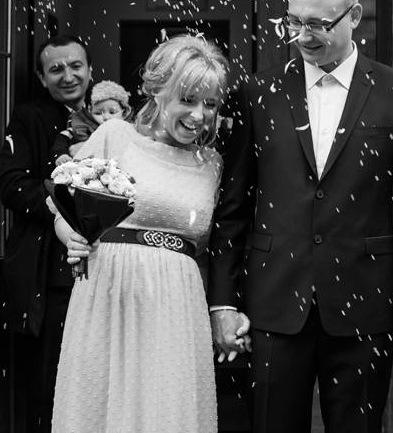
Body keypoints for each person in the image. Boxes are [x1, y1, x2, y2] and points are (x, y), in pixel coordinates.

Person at [208, 0, 393, 433]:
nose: (302, 35)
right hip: (273, 304)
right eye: (294, 22)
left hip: (366, 306)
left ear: (354, 15)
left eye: (317, 24)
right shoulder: (257, 92)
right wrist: (223, 303)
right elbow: (233, 207)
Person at [51, 35, 249, 433]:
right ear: (158, 91)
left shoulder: (212, 163)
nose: (199, 115)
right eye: (188, 99)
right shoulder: (115, 137)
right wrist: (69, 235)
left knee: (167, 413)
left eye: (210, 104)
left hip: (178, 305)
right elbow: (61, 205)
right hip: (110, 296)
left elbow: (218, 245)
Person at [0, 34, 92, 432]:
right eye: (56, 69)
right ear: (41, 77)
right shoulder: (28, 117)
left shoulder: (113, 116)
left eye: (76, 66)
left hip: (104, 268)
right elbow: (11, 185)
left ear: (90, 69)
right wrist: (64, 206)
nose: (68, 76)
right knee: (49, 382)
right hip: (48, 273)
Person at [51, 79, 132, 165]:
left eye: (112, 112)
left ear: (124, 112)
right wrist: (61, 155)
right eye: (98, 113)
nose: (106, 117)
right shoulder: (80, 126)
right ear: (89, 111)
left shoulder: (128, 129)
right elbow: (62, 140)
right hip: (87, 169)